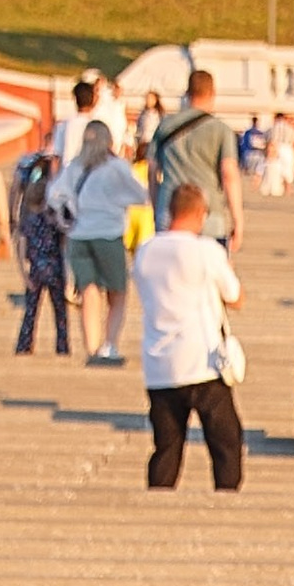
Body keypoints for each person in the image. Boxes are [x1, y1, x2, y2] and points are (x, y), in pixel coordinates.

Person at [133, 178, 244, 492]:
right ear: (201, 214)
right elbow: (235, 296)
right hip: (201, 361)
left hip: (158, 364)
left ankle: (158, 501)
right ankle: (226, 501)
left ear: (170, 211)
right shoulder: (205, 250)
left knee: (167, 446)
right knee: (226, 442)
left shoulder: (145, 250)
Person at [51, 117, 148, 363]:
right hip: (108, 234)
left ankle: (92, 348)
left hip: (79, 236)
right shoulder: (117, 168)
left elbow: (54, 196)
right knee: (117, 293)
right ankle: (109, 344)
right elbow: (140, 195)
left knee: (89, 292)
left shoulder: (74, 167)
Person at [148, 69, 247, 251]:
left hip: (170, 211)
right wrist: (237, 220)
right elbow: (229, 174)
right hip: (210, 215)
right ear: (212, 93)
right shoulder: (221, 130)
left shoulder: (165, 126)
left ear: (187, 93)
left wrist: (156, 208)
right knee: (209, 276)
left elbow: (153, 170)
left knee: (171, 276)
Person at [12, 144, 71, 354]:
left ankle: (24, 345)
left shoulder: (28, 223)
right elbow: (64, 243)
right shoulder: (54, 221)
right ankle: (62, 346)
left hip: (35, 271)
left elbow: (20, 246)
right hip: (55, 270)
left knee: (30, 312)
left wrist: (22, 272)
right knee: (60, 313)